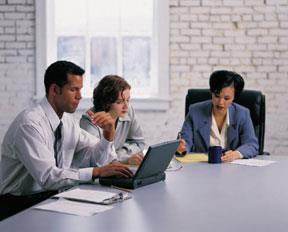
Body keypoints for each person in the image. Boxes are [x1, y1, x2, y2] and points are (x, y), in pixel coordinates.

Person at [0, 61, 132, 220]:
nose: (80, 96)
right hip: (17, 206)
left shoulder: (68, 122)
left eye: (80, 89)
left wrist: (108, 134)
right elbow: (48, 177)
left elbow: (99, 158)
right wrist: (96, 172)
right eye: (73, 89)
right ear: (55, 90)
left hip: (53, 199)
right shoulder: (29, 124)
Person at [177, 70, 259, 162]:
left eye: (226, 98)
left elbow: (251, 144)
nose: (220, 103)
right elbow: (185, 142)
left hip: (232, 169)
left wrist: (237, 154)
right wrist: (182, 148)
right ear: (211, 93)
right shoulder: (194, 111)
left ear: (234, 97)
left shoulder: (242, 114)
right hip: (201, 168)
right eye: (216, 96)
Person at [80, 75, 146, 165]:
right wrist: (125, 159)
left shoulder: (128, 111)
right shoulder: (89, 122)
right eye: (119, 102)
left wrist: (121, 155)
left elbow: (139, 144)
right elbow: (95, 161)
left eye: (128, 100)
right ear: (105, 103)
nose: (126, 106)